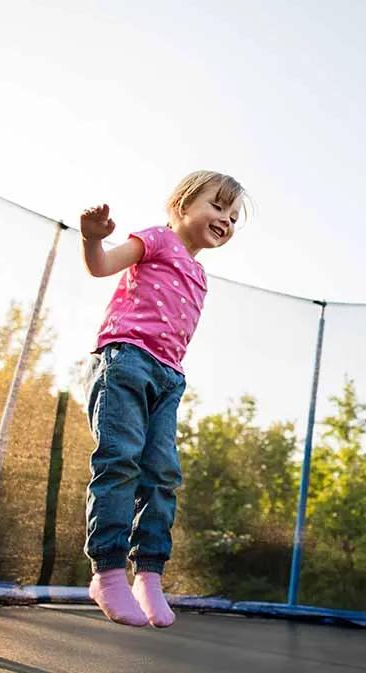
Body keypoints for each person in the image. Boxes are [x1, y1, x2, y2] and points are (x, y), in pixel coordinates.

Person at [79, 170, 245, 627]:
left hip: (170, 377)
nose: (226, 220)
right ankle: (108, 572)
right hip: (126, 358)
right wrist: (92, 239)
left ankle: (148, 575)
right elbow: (100, 267)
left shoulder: (200, 274)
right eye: (218, 206)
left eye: (233, 217)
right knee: (120, 461)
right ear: (182, 205)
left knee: (162, 476)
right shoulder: (155, 239)